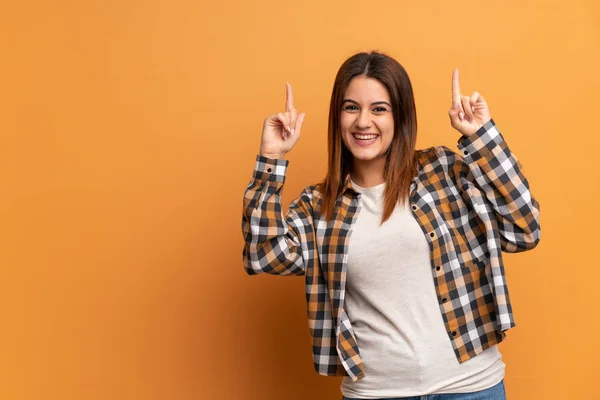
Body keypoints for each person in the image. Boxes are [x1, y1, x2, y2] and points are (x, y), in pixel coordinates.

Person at [241, 51, 541, 400]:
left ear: (400, 116)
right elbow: (262, 255)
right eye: (351, 107)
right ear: (337, 117)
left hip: (471, 387)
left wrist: (482, 138)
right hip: (378, 393)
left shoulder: (443, 171)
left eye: (379, 109)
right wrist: (270, 159)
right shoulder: (319, 207)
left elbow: (524, 228)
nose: (363, 122)